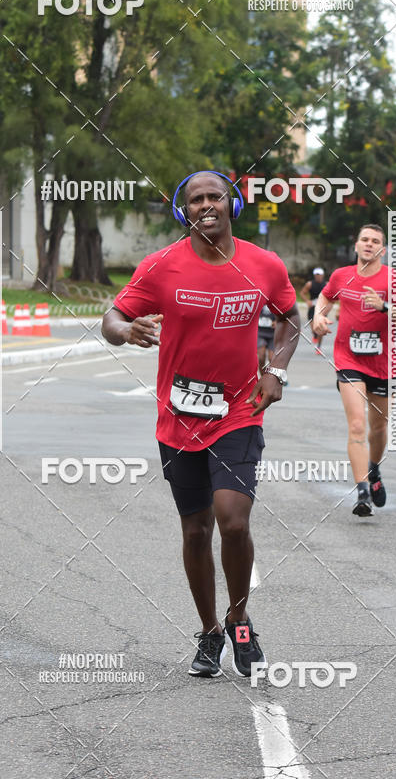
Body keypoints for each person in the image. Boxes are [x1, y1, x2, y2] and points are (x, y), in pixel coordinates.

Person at [102, 171, 299, 678]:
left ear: (232, 204)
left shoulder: (263, 264)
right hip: (179, 418)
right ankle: (210, 631)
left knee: (233, 520)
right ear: (182, 210)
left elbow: (290, 319)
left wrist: (275, 370)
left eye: (215, 196)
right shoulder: (162, 266)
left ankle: (239, 620)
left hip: (238, 412)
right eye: (196, 199)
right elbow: (112, 318)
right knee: (196, 531)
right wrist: (127, 329)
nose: (207, 204)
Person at [312, 224, 396, 518]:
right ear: (356, 245)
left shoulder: (394, 279)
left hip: (384, 364)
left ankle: (374, 470)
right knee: (356, 425)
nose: (369, 244)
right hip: (349, 359)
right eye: (364, 239)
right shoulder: (342, 275)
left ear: (383, 249)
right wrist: (318, 315)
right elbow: (327, 296)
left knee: (378, 428)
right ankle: (362, 490)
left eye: (375, 241)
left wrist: (384, 307)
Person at [300, 268, 326, 354]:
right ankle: (315, 334)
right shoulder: (310, 284)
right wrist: (307, 301)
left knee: (321, 328)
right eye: (317, 275)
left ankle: (319, 347)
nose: (318, 277)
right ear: (315, 276)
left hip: (322, 309)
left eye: (320, 275)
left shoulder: (326, 284)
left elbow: (331, 295)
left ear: (323, 275)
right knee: (313, 327)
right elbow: (302, 293)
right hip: (312, 308)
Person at [257, 304, 276, 374]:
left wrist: (278, 322)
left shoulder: (276, 297)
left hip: (273, 334)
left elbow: (285, 314)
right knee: (261, 356)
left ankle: (274, 378)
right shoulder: (259, 297)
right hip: (260, 332)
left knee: (272, 359)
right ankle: (263, 378)